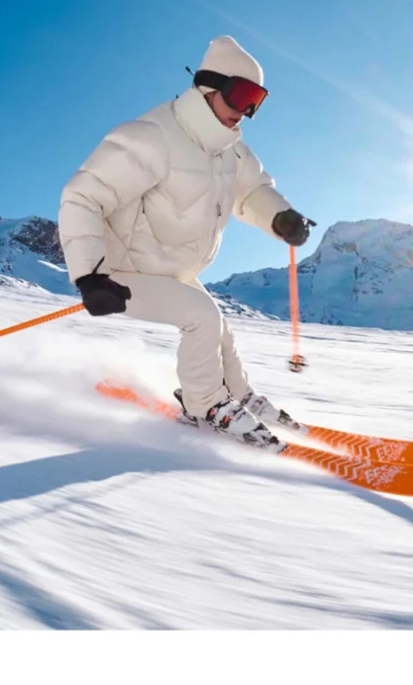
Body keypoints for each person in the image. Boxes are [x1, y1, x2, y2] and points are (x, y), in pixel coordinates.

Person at [58, 35, 314, 449]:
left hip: (169, 272)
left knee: (219, 328)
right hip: (120, 273)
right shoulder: (151, 136)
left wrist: (279, 216)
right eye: (242, 96)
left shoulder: (232, 153)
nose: (246, 111)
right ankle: (206, 407)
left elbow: (252, 192)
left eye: (256, 102)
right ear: (209, 87)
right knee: (202, 316)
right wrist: (90, 275)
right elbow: (83, 196)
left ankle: (237, 395)